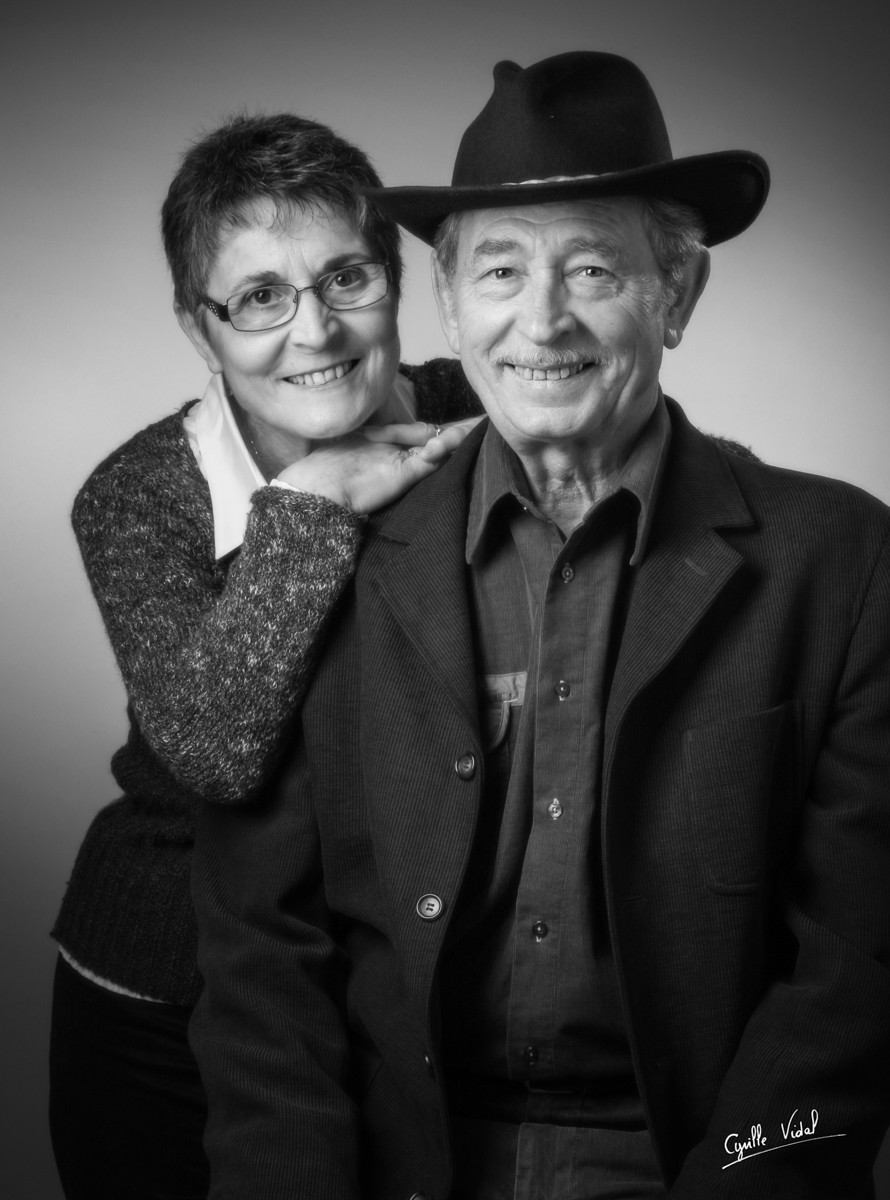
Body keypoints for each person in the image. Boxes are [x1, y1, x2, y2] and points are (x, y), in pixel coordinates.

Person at [190, 54, 890, 1199]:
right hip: (391, 1158)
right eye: (501, 270)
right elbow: (261, 954)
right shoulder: (325, 550)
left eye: (594, 269)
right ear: (452, 304)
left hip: (688, 1161)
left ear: (676, 295)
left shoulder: (841, 563)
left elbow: (858, 975)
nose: (542, 318)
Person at [49, 112, 480, 1200]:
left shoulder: (476, 413)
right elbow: (213, 751)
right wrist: (310, 503)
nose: (316, 331)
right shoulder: (137, 495)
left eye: (346, 279)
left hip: (406, 983)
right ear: (201, 331)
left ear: (395, 280)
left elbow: (670, 475)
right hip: (167, 988)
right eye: (257, 299)